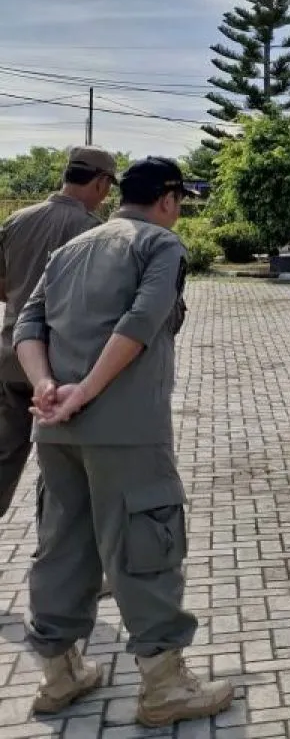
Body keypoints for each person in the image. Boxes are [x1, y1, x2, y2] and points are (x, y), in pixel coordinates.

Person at [14, 157, 233, 726]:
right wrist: (84, 391)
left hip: (56, 429)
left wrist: (47, 387)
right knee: (146, 546)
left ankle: (59, 675)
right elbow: (141, 321)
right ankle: (164, 687)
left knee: (62, 544)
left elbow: (27, 325)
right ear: (167, 199)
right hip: (126, 431)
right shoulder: (160, 245)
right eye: (179, 202)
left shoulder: (71, 249)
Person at [0, 146, 113, 521]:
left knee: (3, 453)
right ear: (100, 182)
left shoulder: (17, 220)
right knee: (61, 467)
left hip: (11, 359)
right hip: (64, 370)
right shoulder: (94, 232)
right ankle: (54, 547)